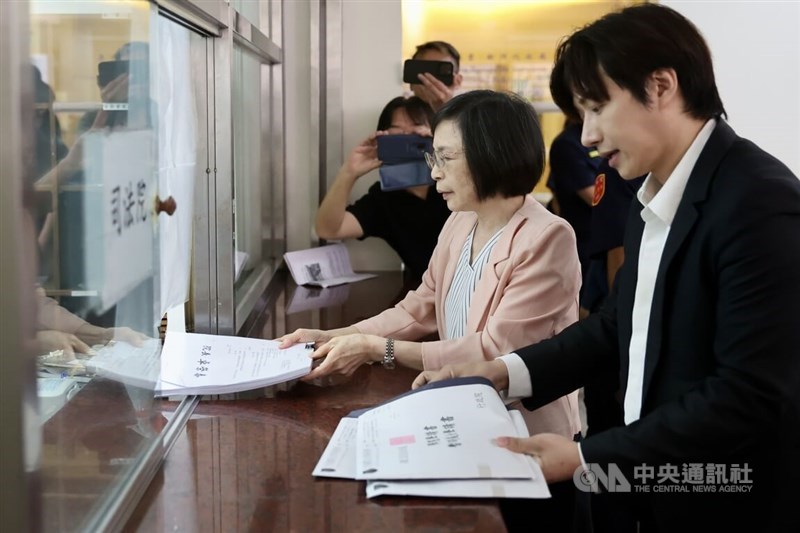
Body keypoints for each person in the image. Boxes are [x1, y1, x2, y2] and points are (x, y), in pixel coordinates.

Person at [413, 4, 800, 533]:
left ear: (660, 85)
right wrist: (501, 373)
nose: (588, 135)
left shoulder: (759, 203)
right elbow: (617, 326)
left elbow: (747, 395)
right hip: (644, 488)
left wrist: (584, 458)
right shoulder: (650, 199)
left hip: (722, 502)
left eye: (596, 109)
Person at [282, 90, 584, 531]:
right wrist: (340, 335)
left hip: (529, 440)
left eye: (444, 157)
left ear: (489, 154)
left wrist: (378, 350)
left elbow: (495, 350)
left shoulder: (548, 237)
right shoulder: (461, 220)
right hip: (467, 422)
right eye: (432, 158)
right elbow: (419, 307)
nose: (433, 172)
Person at [315, 96, 450, 284]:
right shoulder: (385, 198)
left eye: (417, 132)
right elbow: (328, 229)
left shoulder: (457, 185)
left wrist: (449, 153)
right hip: (426, 298)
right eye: (397, 133)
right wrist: (348, 172)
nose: (407, 140)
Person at [409, 40, 464, 112]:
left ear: (457, 81)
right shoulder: (394, 115)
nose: (432, 81)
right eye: (426, 73)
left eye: (441, 73)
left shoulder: (469, 119)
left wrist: (445, 111)